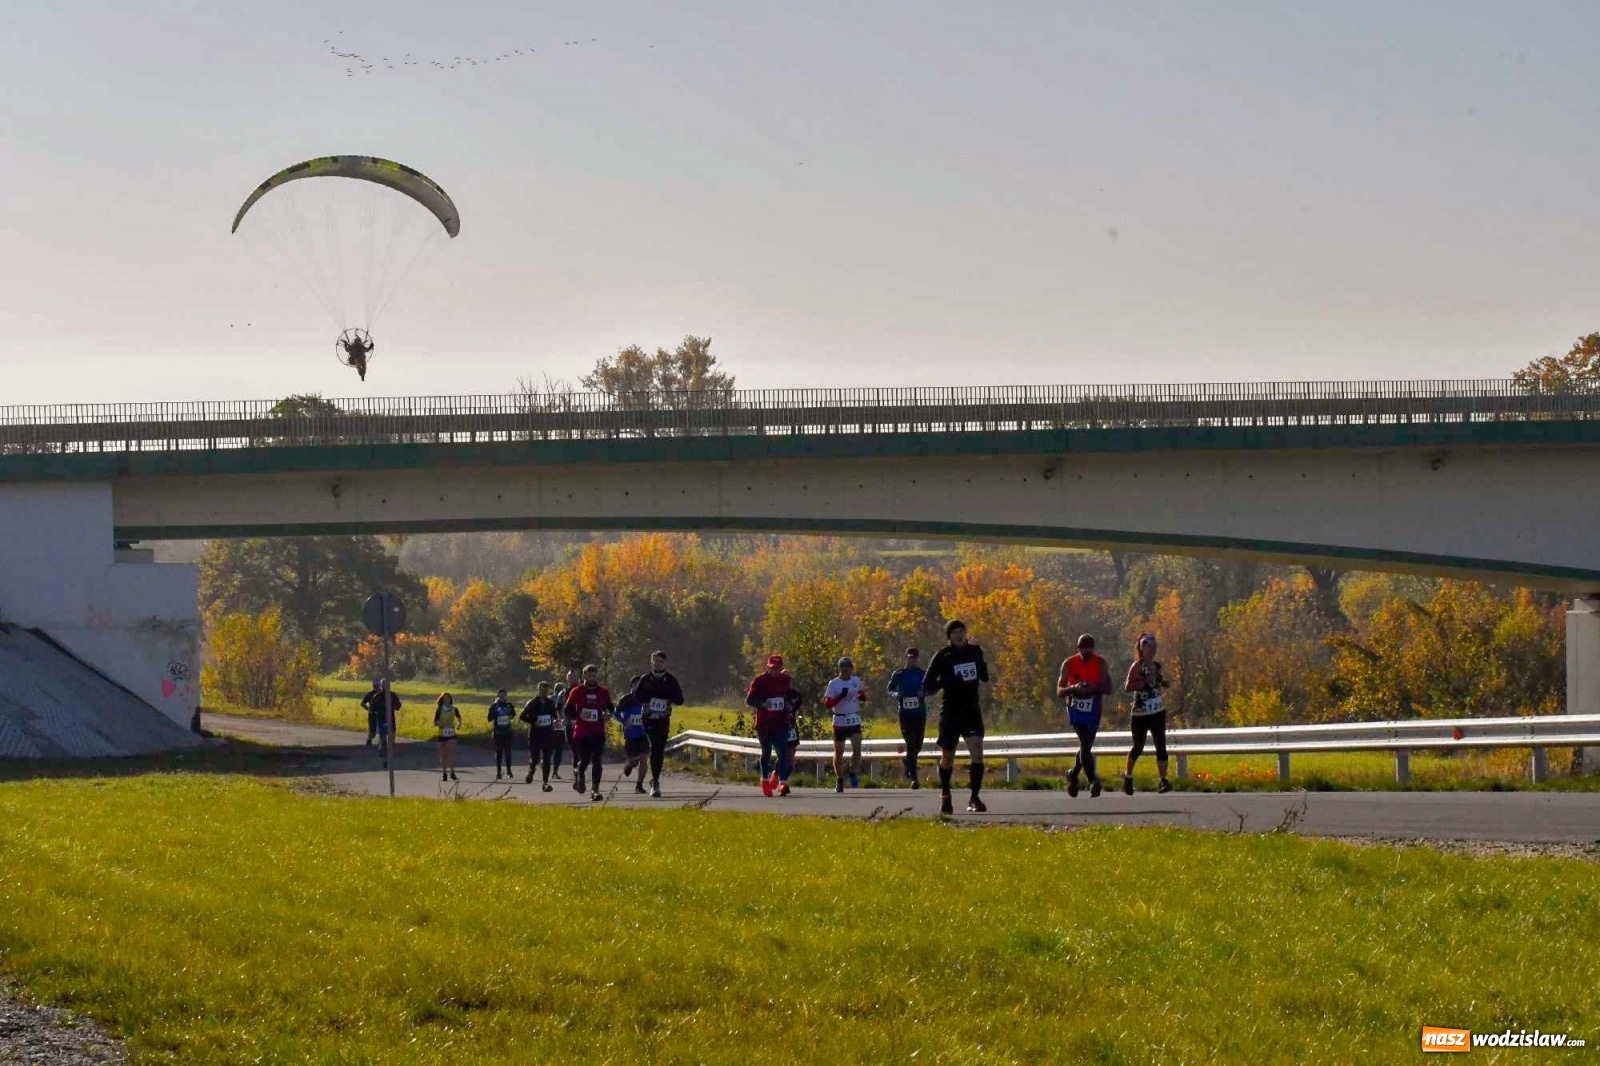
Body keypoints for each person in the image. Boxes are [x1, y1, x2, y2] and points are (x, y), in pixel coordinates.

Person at [923, 620, 989, 815]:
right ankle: (945, 795)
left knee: (977, 753)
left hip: (971, 710)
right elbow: (927, 685)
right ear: (949, 636)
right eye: (956, 632)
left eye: (962, 630)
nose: (960, 634)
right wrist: (948, 680)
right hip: (950, 711)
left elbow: (984, 676)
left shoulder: (975, 651)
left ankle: (974, 797)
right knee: (947, 758)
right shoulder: (943, 656)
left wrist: (982, 669)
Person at [1057, 634, 1112, 799]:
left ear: (1093, 649)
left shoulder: (1100, 663)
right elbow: (1059, 691)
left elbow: (1108, 688)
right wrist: (1074, 688)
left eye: (1090, 649)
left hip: (1094, 709)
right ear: (1078, 649)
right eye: (1083, 649)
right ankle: (1093, 780)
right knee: (1085, 743)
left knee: (1085, 747)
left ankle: (1073, 775)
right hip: (1076, 709)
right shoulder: (1069, 663)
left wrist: (1093, 688)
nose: (1087, 653)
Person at [1124, 632, 1173, 795]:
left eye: (1154, 647)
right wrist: (1142, 683)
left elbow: (1164, 682)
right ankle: (1128, 776)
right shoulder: (1137, 666)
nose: (1152, 650)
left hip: (1157, 710)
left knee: (1161, 745)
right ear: (1142, 648)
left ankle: (1163, 780)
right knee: (1138, 747)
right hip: (1140, 713)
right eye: (1149, 647)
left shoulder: (1157, 666)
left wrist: (1163, 681)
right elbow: (1127, 687)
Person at [633, 650, 685, 798]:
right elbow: (636, 697)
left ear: (665, 664)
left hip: (663, 719)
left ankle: (655, 780)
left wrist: (668, 698)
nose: (658, 664)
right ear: (652, 662)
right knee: (653, 746)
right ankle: (654, 781)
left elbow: (680, 700)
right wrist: (648, 699)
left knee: (658, 749)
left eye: (661, 662)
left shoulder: (670, 680)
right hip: (648, 719)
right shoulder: (645, 679)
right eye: (656, 661)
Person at [746, 654, 797, 798]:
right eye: (773, 668)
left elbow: (790, 696)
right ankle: (765, 779)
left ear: (781, 668)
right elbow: (750, 700)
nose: (775, 671)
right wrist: (762, 704)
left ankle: (782, 782)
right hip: (764, 723)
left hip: (781, 722)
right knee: (766, 753)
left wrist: (789, 704)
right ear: (768, 667)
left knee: (783, 753)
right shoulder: (759, 680)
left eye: (778, 668)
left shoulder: (786, 680)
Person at [563, 664, 614, 801]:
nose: (592, 678)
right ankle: (580, 775)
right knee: (584, 759)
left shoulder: (603, 691)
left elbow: (610, 707)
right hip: (582, 732)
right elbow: (567, 709)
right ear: (584, 676)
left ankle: (595, 790)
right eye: (589, 675)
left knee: (597, 761)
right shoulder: (577, 691)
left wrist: (608, 714)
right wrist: (574, 718)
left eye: (594, 675)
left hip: (598, 731)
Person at [822, 657, 867, 793]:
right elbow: (828, 704)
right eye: (843, 668)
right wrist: (840, 697)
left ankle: (853, 772)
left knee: (857, 749)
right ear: (840, 669)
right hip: (840, 721)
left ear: (851, 669)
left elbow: (861, 694)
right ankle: (839, 779)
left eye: (848, 668)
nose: (846, 671)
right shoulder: (834, 684)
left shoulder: (856, 681)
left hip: (854, 719)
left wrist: (862, 697)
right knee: (839, 752)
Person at [887, 647, 928, 788]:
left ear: (918, 659)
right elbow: (890, 689)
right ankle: (914, 779)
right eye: (909, 657)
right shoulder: (898, 674)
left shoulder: (923, 674)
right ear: (906, 658)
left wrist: (924, 693)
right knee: (910, 744)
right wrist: (896, 695)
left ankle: (907, 762)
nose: (912, 660)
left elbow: (931, 688)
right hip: (905, 714)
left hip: (920, 714)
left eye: (914, 658)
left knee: (918, 745)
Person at [520, 682, 559, 790]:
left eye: (545, 691)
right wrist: (533, 722)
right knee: (535, 758)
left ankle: (545, 783)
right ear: (538, 690)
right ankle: (531, 770)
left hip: (547, 735)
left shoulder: (550, 703)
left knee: (547, 759)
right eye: (541, 690)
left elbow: (555, 716)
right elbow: (522, 716)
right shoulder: (532, 702)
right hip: (535, 735)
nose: (543, 692)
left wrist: (555, 721)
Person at [615, 676, 650, 794]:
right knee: (635, 761)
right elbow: (616, 713)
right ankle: (630, 764)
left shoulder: (646, 699)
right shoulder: (626, 699)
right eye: (637, 684)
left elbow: (649, 712)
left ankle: (639, 785)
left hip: (642, 733)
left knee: (644, 758)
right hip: (630, 734)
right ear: (632, 685)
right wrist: (625, 722)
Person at [362, 678, 402, 768]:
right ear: (382, 686)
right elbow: (372, 708)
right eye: (384, 685)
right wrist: (375, 709)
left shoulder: (393, 695)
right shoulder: (377, 696)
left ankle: (388, 753)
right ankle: (384, 756)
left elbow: (398, 705)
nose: (385, 687)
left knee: (390, 739)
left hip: (390, 719)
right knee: (384, 738)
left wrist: (393, 707)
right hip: (382, 720)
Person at [488, 688, 517, 780]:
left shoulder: (509, 705)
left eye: (503, 695)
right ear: (497, 696)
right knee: (499, 752)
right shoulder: (494, 706)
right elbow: (489, 719)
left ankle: (509, 771)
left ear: (506, 696)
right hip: (498, 733)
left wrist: (509, 716)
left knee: (508, 752)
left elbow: (513, 715)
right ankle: (499, 772)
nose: (502, 697)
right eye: (500, 696)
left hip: (507, 732)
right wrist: (495, 713)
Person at [434, 692, 461, 782]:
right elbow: (435, 722)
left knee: (451, 754)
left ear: (450, 699)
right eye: (445, 698)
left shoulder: (454, 709)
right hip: (442, 734)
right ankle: (444, 773)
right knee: (443, 755)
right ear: (442, 700)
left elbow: (459, 718)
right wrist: (442, 723)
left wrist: (459, 724)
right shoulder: (439, 710)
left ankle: (452, 773)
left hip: (451, 734)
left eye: (448, 698)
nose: (447, 700)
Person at [360, 676, 385, 746]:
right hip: (372, 714)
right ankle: (369, 740)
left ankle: (382, 743)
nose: (376, 687)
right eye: (375, 686)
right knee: (373, 730)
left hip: (381, 714)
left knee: (383, 728)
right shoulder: (370, 694)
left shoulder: (383, 694)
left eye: (377, 686)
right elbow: (362, 703)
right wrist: (368, 709)